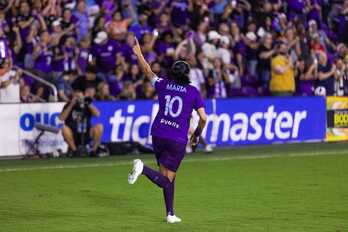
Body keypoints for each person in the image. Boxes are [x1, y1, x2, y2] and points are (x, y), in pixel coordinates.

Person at [128, 37, 207, 223]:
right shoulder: (193, 91)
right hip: (177, 138)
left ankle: (170, 213)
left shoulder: (163, 84)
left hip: (158, 133)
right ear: (188, 74)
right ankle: (142, 169)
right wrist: (196, 135)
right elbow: (203, 118)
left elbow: (147, 71)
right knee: (167, 179)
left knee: (167, 175)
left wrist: (139, 53)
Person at [59, 88, 104, 157]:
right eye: (76, 97)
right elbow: (61, 118)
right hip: (73, 134)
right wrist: (71, 104)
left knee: (99, 127)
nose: (78, 99)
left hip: (86, 132)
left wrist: (87, 103)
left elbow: (97, 114)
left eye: (79, 96)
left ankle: (94, 151)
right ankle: (75, 151)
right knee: (64, 128)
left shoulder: (87, 105)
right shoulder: (68, 105)